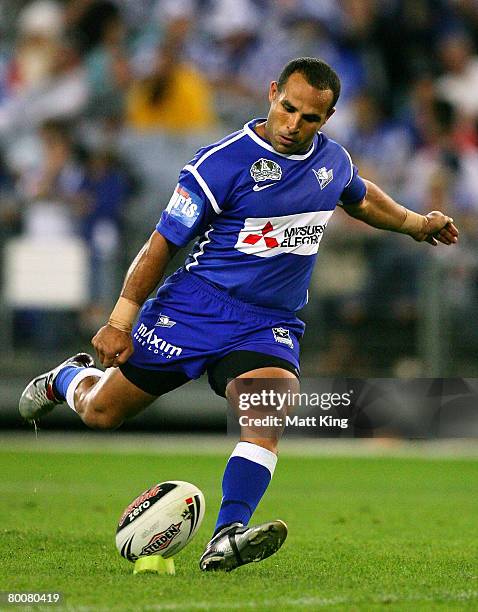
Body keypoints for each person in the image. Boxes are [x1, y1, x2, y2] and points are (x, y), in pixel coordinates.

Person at [19, 57, 459, 572]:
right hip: (195, 309)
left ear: (329, 117)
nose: (294, 125)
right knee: (102, 413)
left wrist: (415, 223)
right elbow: (162, 244)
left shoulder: (332, 162)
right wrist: (120, 319)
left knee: (269, 410)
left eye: (310, 118)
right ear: (272, 93)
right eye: (287, 108)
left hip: (267, 323)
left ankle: (227, 533)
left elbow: (359, 199)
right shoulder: (220, 163)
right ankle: (68, 379)